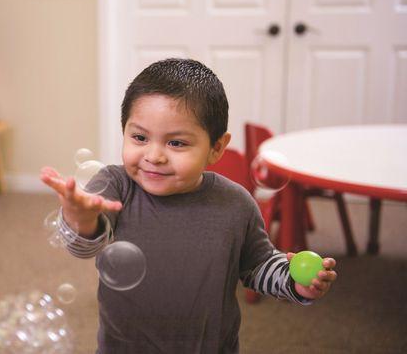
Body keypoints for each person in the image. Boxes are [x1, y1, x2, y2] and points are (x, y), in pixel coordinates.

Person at [40, 58, 337, 353]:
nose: (154, 155)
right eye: (139, 137)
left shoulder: (235, 203)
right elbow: (83, 247)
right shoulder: (114, 186)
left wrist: (293, 283)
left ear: (216, 148)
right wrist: (80, 217)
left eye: (177, 143)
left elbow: (257, 265)